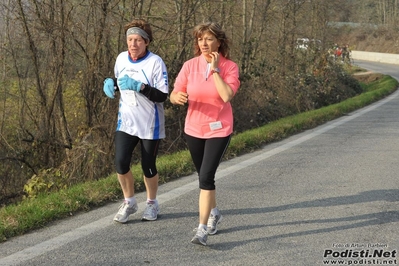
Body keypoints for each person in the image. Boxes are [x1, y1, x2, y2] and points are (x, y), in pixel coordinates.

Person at [170, 22, 240, 245]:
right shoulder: (189, 66)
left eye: (209, 39)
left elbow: (226, 95)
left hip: (219, 129)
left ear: (219, 42)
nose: (204, 43)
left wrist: (215, 69)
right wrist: (176, 98)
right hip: (194, 129)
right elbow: (175, 92)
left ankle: (201, 229)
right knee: (203, 176)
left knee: (206, 177)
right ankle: (214, 212)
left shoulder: (230, 67)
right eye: (200, 39)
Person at [103, 18, 169, 223]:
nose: (133, 44)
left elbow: (162, 95)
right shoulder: (121, 59)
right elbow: (120, 81)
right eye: (130, 39)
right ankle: (129, 202)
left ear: (147, 42)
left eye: (138, 40)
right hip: (126, 122)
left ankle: (152, 203)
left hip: (150, 124)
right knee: (121, 162)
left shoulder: (155, 63)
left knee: (148, 166)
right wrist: (110, 83)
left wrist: (140, 86)